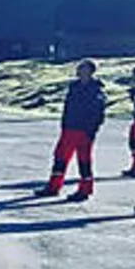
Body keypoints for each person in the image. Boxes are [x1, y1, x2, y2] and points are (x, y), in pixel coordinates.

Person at [37, 59, 106, 202]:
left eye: (83, 68)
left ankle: (85, 189)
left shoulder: (95, 90)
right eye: (79, 68)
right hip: (69, 128)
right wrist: (64, 124)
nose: (79, 70)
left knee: (84, 160)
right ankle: (54, 186)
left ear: (90, 71)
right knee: (60, 157)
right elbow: (67, 108)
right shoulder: (74, 87)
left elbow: (98, 114)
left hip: (84, 131)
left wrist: (91, 130)